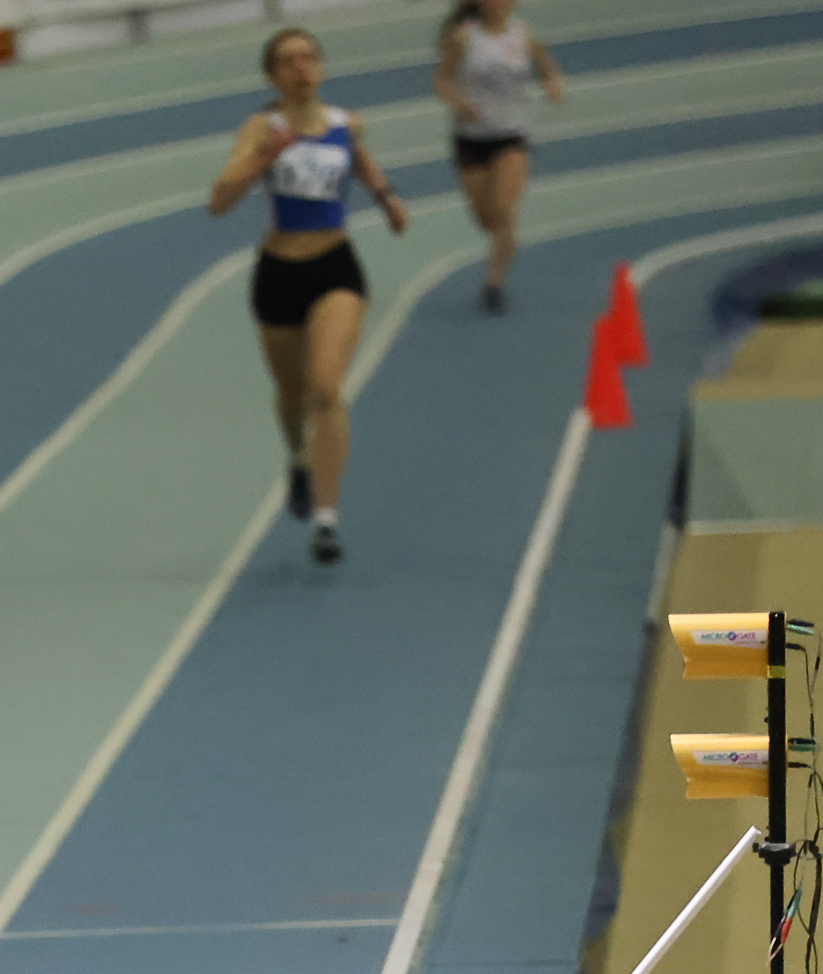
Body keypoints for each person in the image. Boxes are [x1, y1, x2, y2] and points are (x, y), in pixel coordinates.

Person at [209, 26, 408, 569]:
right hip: (278, 273)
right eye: (289, 61)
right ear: (273, 75)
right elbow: (219, 201)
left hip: (335, 267)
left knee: (325, 387)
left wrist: (386, 197)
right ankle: (298, 455)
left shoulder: (347, 123)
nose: (302, 68)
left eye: (309, 58)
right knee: (292, 394)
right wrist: (261, 159)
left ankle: (326, 518)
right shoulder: (262, 128)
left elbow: (359, 158)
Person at [436, 0, 561, 315]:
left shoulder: (522, 34)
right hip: (470, 139)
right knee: (487, 220)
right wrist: (459, 102)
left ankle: (494, 282)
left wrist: (552, 82)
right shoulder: (464, 37)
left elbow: (545, 65)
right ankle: (503, 247)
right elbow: (441, 79)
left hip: (510, 136)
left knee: (504, 208)